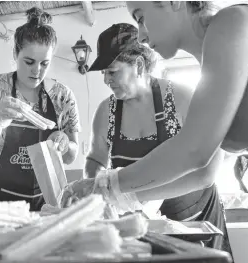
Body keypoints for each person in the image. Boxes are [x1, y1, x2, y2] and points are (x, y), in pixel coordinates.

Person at [82, 23, 230, 252]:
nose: (106, 80)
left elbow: (205, 174)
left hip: (194, 224)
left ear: (138, 66)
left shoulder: (183, 99)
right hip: (140, 230)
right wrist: (96, 194)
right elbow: (95, 160)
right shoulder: (106, 112)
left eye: (112, 71)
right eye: (104, 73)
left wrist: (137, 197)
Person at [0, 7, 81, 211]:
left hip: (46, 203)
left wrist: (66, 144)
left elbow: (71, 156)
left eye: (44, 64)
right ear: (15, 53)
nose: (37, 71)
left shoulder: (62, 96)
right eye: (29, 62)